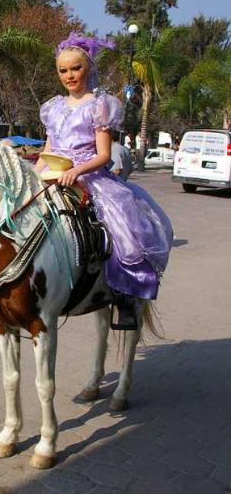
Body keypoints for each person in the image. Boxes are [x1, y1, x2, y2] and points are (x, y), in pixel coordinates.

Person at [35, 32, 173, 329]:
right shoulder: (53, 107)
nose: (69, 76)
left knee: (119, 227)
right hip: (53, 175)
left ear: (88, 68)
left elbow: (103, 154)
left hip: (90, 176)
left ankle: (124, 296)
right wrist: (34, 174)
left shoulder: (99, 105)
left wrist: (77, 170)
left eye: (75, 68)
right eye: (63, 70)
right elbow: (48, 149)